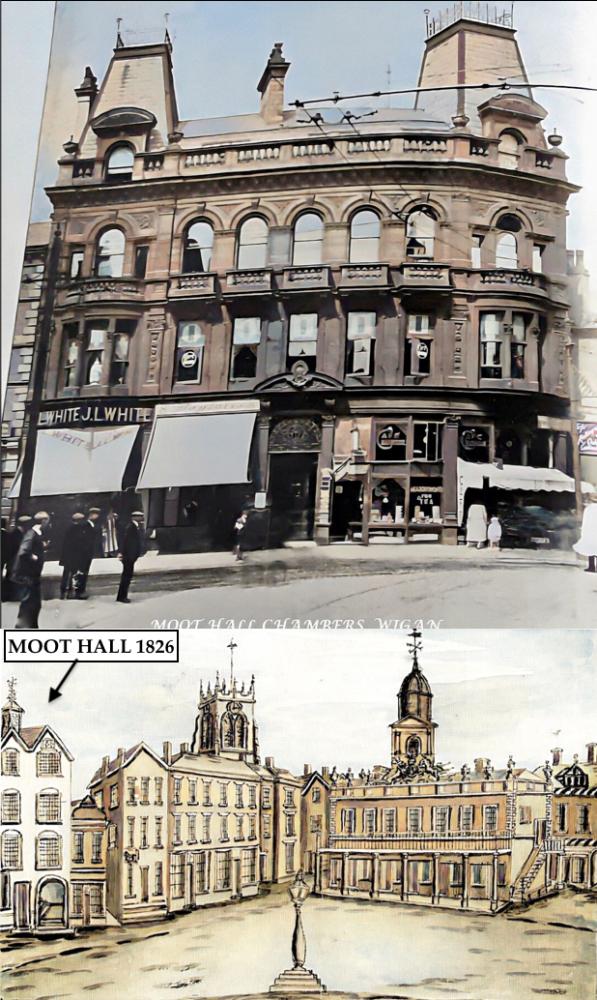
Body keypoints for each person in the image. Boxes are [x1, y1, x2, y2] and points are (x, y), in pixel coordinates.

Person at [11, 511, 51, 629]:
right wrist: (34, 557)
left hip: (33, 575)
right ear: (43, 521)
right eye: (47, 521)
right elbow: (24, 551)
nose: (48, 524)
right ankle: (21, 628)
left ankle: (32, 627)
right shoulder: (32, 533)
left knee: (34, 604)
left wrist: (42, 548)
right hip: (27, 575)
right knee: (28, 602)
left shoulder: (37, 534)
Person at [116, 510, 146, 603]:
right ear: (135, 517)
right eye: (140, 516)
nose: (142, 518)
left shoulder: (135, 527)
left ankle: (122, 596)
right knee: (126, 577)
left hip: (130, 556)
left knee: (127, 576)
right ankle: (122, 597)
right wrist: (123, 553)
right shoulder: (130, 527)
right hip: (128, 556)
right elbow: (126, 542)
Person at [2, 515, 32, 600]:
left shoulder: (19, 533)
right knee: (11, 578)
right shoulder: (17, 534)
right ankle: (7, 596)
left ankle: (8, 595)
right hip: (14, 561)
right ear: (25, 524)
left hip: (15, 561)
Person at [74, 507, 101, 598]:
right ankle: (79, 592)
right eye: (95, 514)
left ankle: (82, 590)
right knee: (81, 572)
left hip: (88, 553)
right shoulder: (84, 525)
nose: (97, 516)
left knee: (85, 572)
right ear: (91, 515)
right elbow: (81, 540)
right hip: (83, 553)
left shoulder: (92, 525)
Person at [59, 512, 86, 599]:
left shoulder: (68, 528)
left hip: (67, 556)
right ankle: (73, 593)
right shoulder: (77, 529)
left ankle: (63, 592)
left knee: (66, 574)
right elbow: (78, 544)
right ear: (79, 521)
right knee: (74, 574)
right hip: (74, 556)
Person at [573, 497, 597, 572]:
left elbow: (585, 522)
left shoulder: (588, 509)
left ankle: (591, 567)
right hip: (594, 532)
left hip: (590, 532)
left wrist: (583, 532)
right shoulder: (589, 509)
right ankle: (592, 567)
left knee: (590, 549)